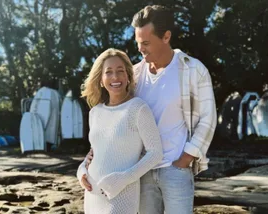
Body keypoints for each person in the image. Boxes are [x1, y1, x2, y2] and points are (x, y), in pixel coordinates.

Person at [85, 5, 217, 214]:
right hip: (141, 173)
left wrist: (185, 160)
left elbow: (208, 119)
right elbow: (116, 120)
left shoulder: (192, 70)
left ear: (166, 37)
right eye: (138, 43)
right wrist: (93, 157)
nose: (140, 49)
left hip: (176, 170)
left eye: (146, 43)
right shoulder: (134, 75)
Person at [76, 48, 163, 214]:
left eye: (120, 71)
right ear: (100, 79)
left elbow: (155, 153)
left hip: (122, 194)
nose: (115, 77)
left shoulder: (137, 108)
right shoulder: (95, 112)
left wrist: (123, 179)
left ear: (128, 77)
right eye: (108, 72)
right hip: (92, 193)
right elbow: (96, 152)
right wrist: (81, 172)